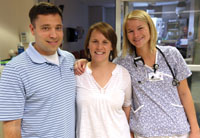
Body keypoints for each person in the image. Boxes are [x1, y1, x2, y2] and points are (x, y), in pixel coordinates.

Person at [75, 10, 200, 138]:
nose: (136, 35)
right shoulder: (124, 62)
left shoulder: (171, 54)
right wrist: (84, 61)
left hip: (177, 131)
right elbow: (102, 63)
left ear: (150, 28)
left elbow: (185, 93)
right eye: (130, 31)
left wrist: (195, 129)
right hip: (144, 133)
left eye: (140, 28)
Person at [0, 2, 76, 138]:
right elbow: (11, 127)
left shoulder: (69, 59)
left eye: (58, 28)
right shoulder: (15, 70)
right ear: (32, 29)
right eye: (45, 28)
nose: (54, 35)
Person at [76, 22, 132, 138]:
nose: (99, 47)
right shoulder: (78, 73)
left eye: (105, 42)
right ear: (88, 45)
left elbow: (127, 106)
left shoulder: (123, 74)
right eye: (95, 41)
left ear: (112, 46)